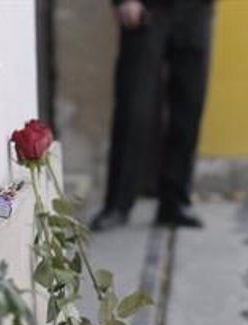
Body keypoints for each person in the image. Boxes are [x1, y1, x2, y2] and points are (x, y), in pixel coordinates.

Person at [90, 0, 213, 231]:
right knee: (134, 107)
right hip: (147, 8)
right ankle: (118, 204)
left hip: (196, 9)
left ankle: (174, 201)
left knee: (189, 106)